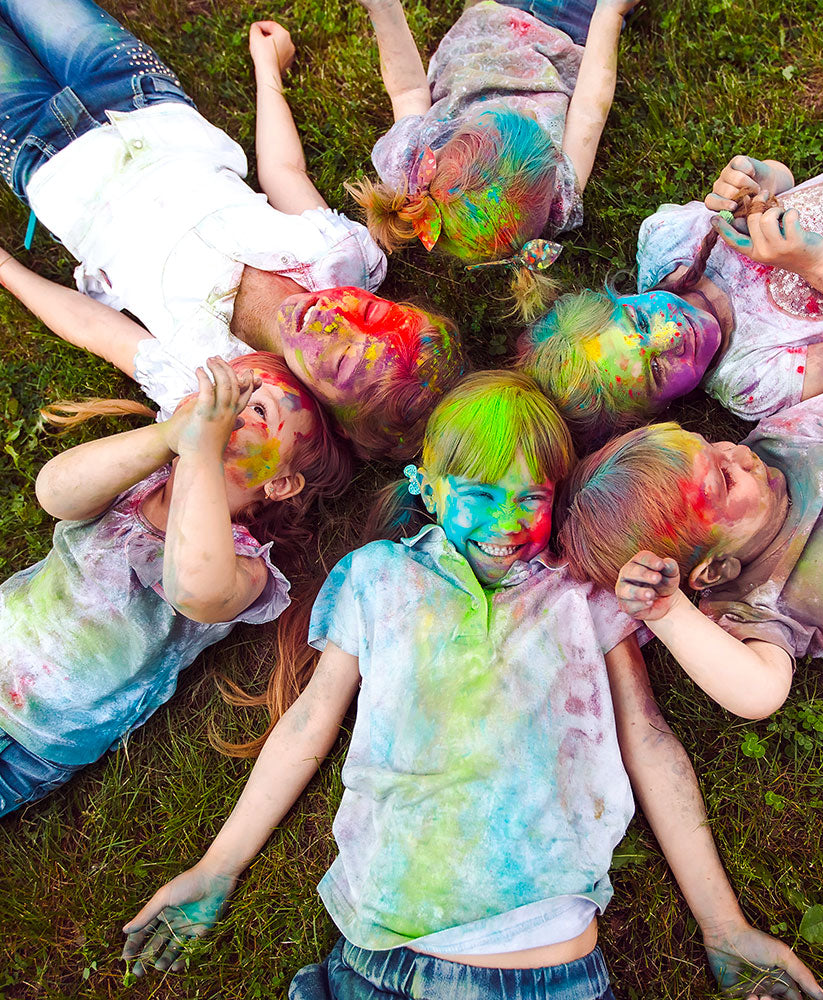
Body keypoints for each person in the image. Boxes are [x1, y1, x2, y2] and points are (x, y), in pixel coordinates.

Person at [120, 372, 823, 1000]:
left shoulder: (582, 592)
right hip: (370, 959)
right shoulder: (378, 577)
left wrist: (724, 925)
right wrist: (215, 868)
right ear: (427, 489)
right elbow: (310, 723)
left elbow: (648, 741)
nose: (505, 523)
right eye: (480, 495)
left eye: (531, 498)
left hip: (540, 973)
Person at [0, 2, 463, 459]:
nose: (335, 319)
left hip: (44, 159)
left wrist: (6, 269)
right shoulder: (339, 258)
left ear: (332, 418)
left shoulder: (211, 376)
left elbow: (94, 326)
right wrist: (268, 71)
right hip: (136, 95)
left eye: (342, 359)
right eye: (371, 314)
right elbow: (283, 171)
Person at [518, 103, 823, 449]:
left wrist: (762, 179)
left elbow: (788, 183)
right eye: (656, 369)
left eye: (640, 324)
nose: (669, 337)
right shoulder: (753, 379)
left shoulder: (669, 239)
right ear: (658, 410)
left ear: (622, 298)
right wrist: (814, 263)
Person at [0, 353, 351, 817]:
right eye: (233, 395)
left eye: (259, 412)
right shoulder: (135, 477)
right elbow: (56, 493)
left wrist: (203, 452)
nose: (232, 414)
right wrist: (169, 437)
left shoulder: (244, 566)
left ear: (280, 484)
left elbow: (194, 590)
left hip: (41, 735)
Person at [557, 382, 823, 716]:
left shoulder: (787, 442)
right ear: (713, 571)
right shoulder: (749, 602)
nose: (739, 455)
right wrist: (669, 614)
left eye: (713, 446)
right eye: (725, 482)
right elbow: (758, 693)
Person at [347, 0, 640, 316]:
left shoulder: (413, 163)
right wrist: (610, 13)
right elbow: (587, 111)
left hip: (488, 19)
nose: (524, 107)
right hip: (563, 31)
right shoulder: (558, 199)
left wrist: (384, 8)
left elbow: (407, 91)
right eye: (532, 119)